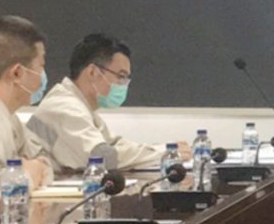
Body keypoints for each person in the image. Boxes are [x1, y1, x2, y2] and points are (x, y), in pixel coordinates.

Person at [28, 34, 190, 172]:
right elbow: (103, 157)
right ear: (93, 72)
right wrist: (164, 153)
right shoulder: (63, 107)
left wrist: (163, 148)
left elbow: (115, 144)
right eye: (121, 76)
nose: (124, 84)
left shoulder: (80, 106)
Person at [0, 16, 54, 191]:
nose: (42, 76)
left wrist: (36, 167)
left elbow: (42, 159)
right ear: (17, 73)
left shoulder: (6, 114)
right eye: (41, 66)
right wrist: (26, 175)